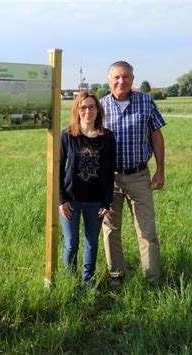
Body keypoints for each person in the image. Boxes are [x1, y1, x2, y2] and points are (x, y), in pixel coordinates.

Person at [100, 61, 166, 286]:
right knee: (110, 229)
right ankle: (116, 275)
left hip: (139, 176)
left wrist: (160, 170)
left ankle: (153, 278)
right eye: (117, 77)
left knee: (147, 229)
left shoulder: (146, 102)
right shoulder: (100, 106)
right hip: (110, 178)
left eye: (126, 77)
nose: (121, 81)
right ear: (109, 80)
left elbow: (157, 136)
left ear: (132, 79)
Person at [59, 91, 116, 289]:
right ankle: (70, 282)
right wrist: (61, 199)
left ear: (98, 110)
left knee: (91, 242)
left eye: (91, 107)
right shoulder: (68, 135)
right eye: (83, 107)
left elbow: (109, 172)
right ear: (77, 110)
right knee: (71, 243)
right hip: (70, 200)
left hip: (96, 202)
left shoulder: (107, 137)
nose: (87, 111)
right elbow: (58, 169)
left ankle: (87, 281)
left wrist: (106, 201)